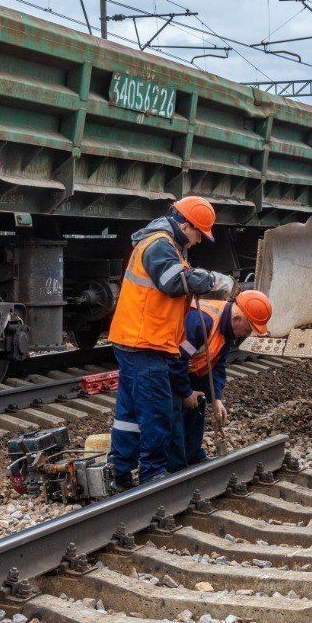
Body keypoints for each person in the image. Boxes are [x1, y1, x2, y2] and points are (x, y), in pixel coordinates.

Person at [108, 196, 233, 488]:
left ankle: (120, 473)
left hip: (137, 340)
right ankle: (153, 475)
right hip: (145, 342)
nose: (199, 241)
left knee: (129, 413)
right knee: (157, 411)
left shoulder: (165, 244)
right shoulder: (160, 244)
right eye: (199, 234)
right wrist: (214, 280)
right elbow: (174, 282)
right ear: (186, 225)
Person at [167, 290, 273, 471]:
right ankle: (175, 469)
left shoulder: (227, 328)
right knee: (173, 414)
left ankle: (192, 456)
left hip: (188, 369)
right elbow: (175, 360)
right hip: (168, 367)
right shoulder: (202, 321)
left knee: (198, 402)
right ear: (237, 319)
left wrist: (216, 399)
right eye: (247, 330)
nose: (245, 335)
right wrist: (185, 393)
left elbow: (217, 364)